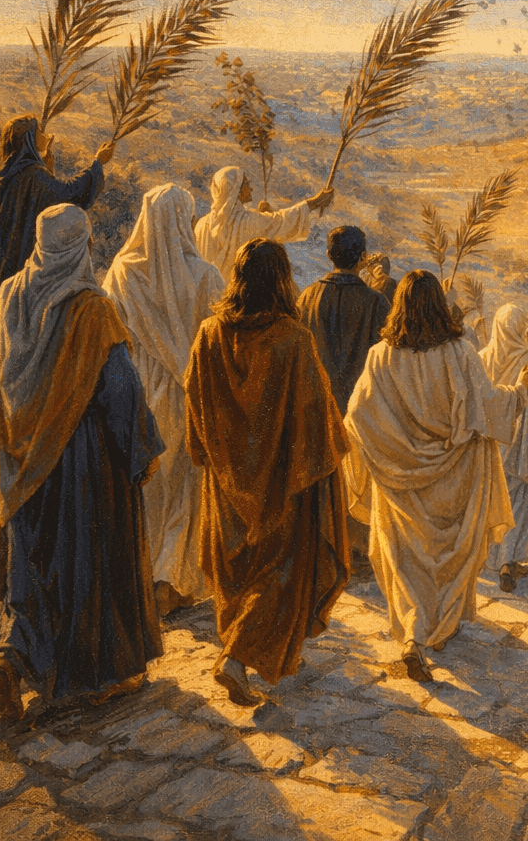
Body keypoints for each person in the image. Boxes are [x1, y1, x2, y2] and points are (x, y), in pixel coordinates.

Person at [0, 204, 163, 718]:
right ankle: (93, 678)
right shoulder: (91, 309)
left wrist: (14, 439)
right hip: (83, 460)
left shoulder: (8, 294)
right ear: (81, 244)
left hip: (22, 463)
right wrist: (142, 449)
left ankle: (11, 658)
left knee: (32, 567)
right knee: (82, 564)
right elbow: (119, 390)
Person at [344, 272, 528, 681]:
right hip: (455, 477)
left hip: (400, 483)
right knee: (449, 557)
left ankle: (413, 636)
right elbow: (485, 407)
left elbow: (356, 418)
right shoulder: (461, 352)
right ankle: (441, 628)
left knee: (406, 559)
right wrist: (520, 390)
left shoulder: (380, 355)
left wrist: (391, 450)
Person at [186, 239, 350, 706]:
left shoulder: (208, 334)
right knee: (277, 573)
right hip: (281, 487)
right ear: (281, 279)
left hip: (226, 483)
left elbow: (194, 405)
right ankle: (236, 658)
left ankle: (236, 654)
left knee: (237, 573)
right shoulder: (292, 339)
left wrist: (212, 457)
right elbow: (315, 416)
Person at [102, 184, 225, 615]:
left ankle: (142, 577)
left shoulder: (120, 270)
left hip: (136, 392)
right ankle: (171, 582)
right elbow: (222, 339)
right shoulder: (207, 275)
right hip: (189, 395)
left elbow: (109, 335)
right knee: (184, 491)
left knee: (148, 489)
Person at [0, 113, 113, 308]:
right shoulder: (35, 176)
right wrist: (97, 163)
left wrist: (47, 171)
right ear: (29, 139)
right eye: (39, 132)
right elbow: (68, 193)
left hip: (0, 265)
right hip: (26, 270)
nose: (45, 135)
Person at [480, 304, 528, 593]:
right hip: (521, 450)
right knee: (518, 506)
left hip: (490, 447)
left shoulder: (481, 358)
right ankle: (507, 562)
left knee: (492, 502)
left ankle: (491, 558)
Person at [298, 226, 392, 415]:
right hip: (361, 408)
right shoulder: (377, 301)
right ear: (363, 257)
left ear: (328, 254)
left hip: (318, 405)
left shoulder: (307, 296)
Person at [193, 166, 335, 280]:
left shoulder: (201, 225)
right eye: (247, 184)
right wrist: (314, 202)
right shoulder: (248, 221)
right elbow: (280, 221)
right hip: (238, 300)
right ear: (236, 190)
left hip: (209, 298)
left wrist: (261, 215)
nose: (251, 188)